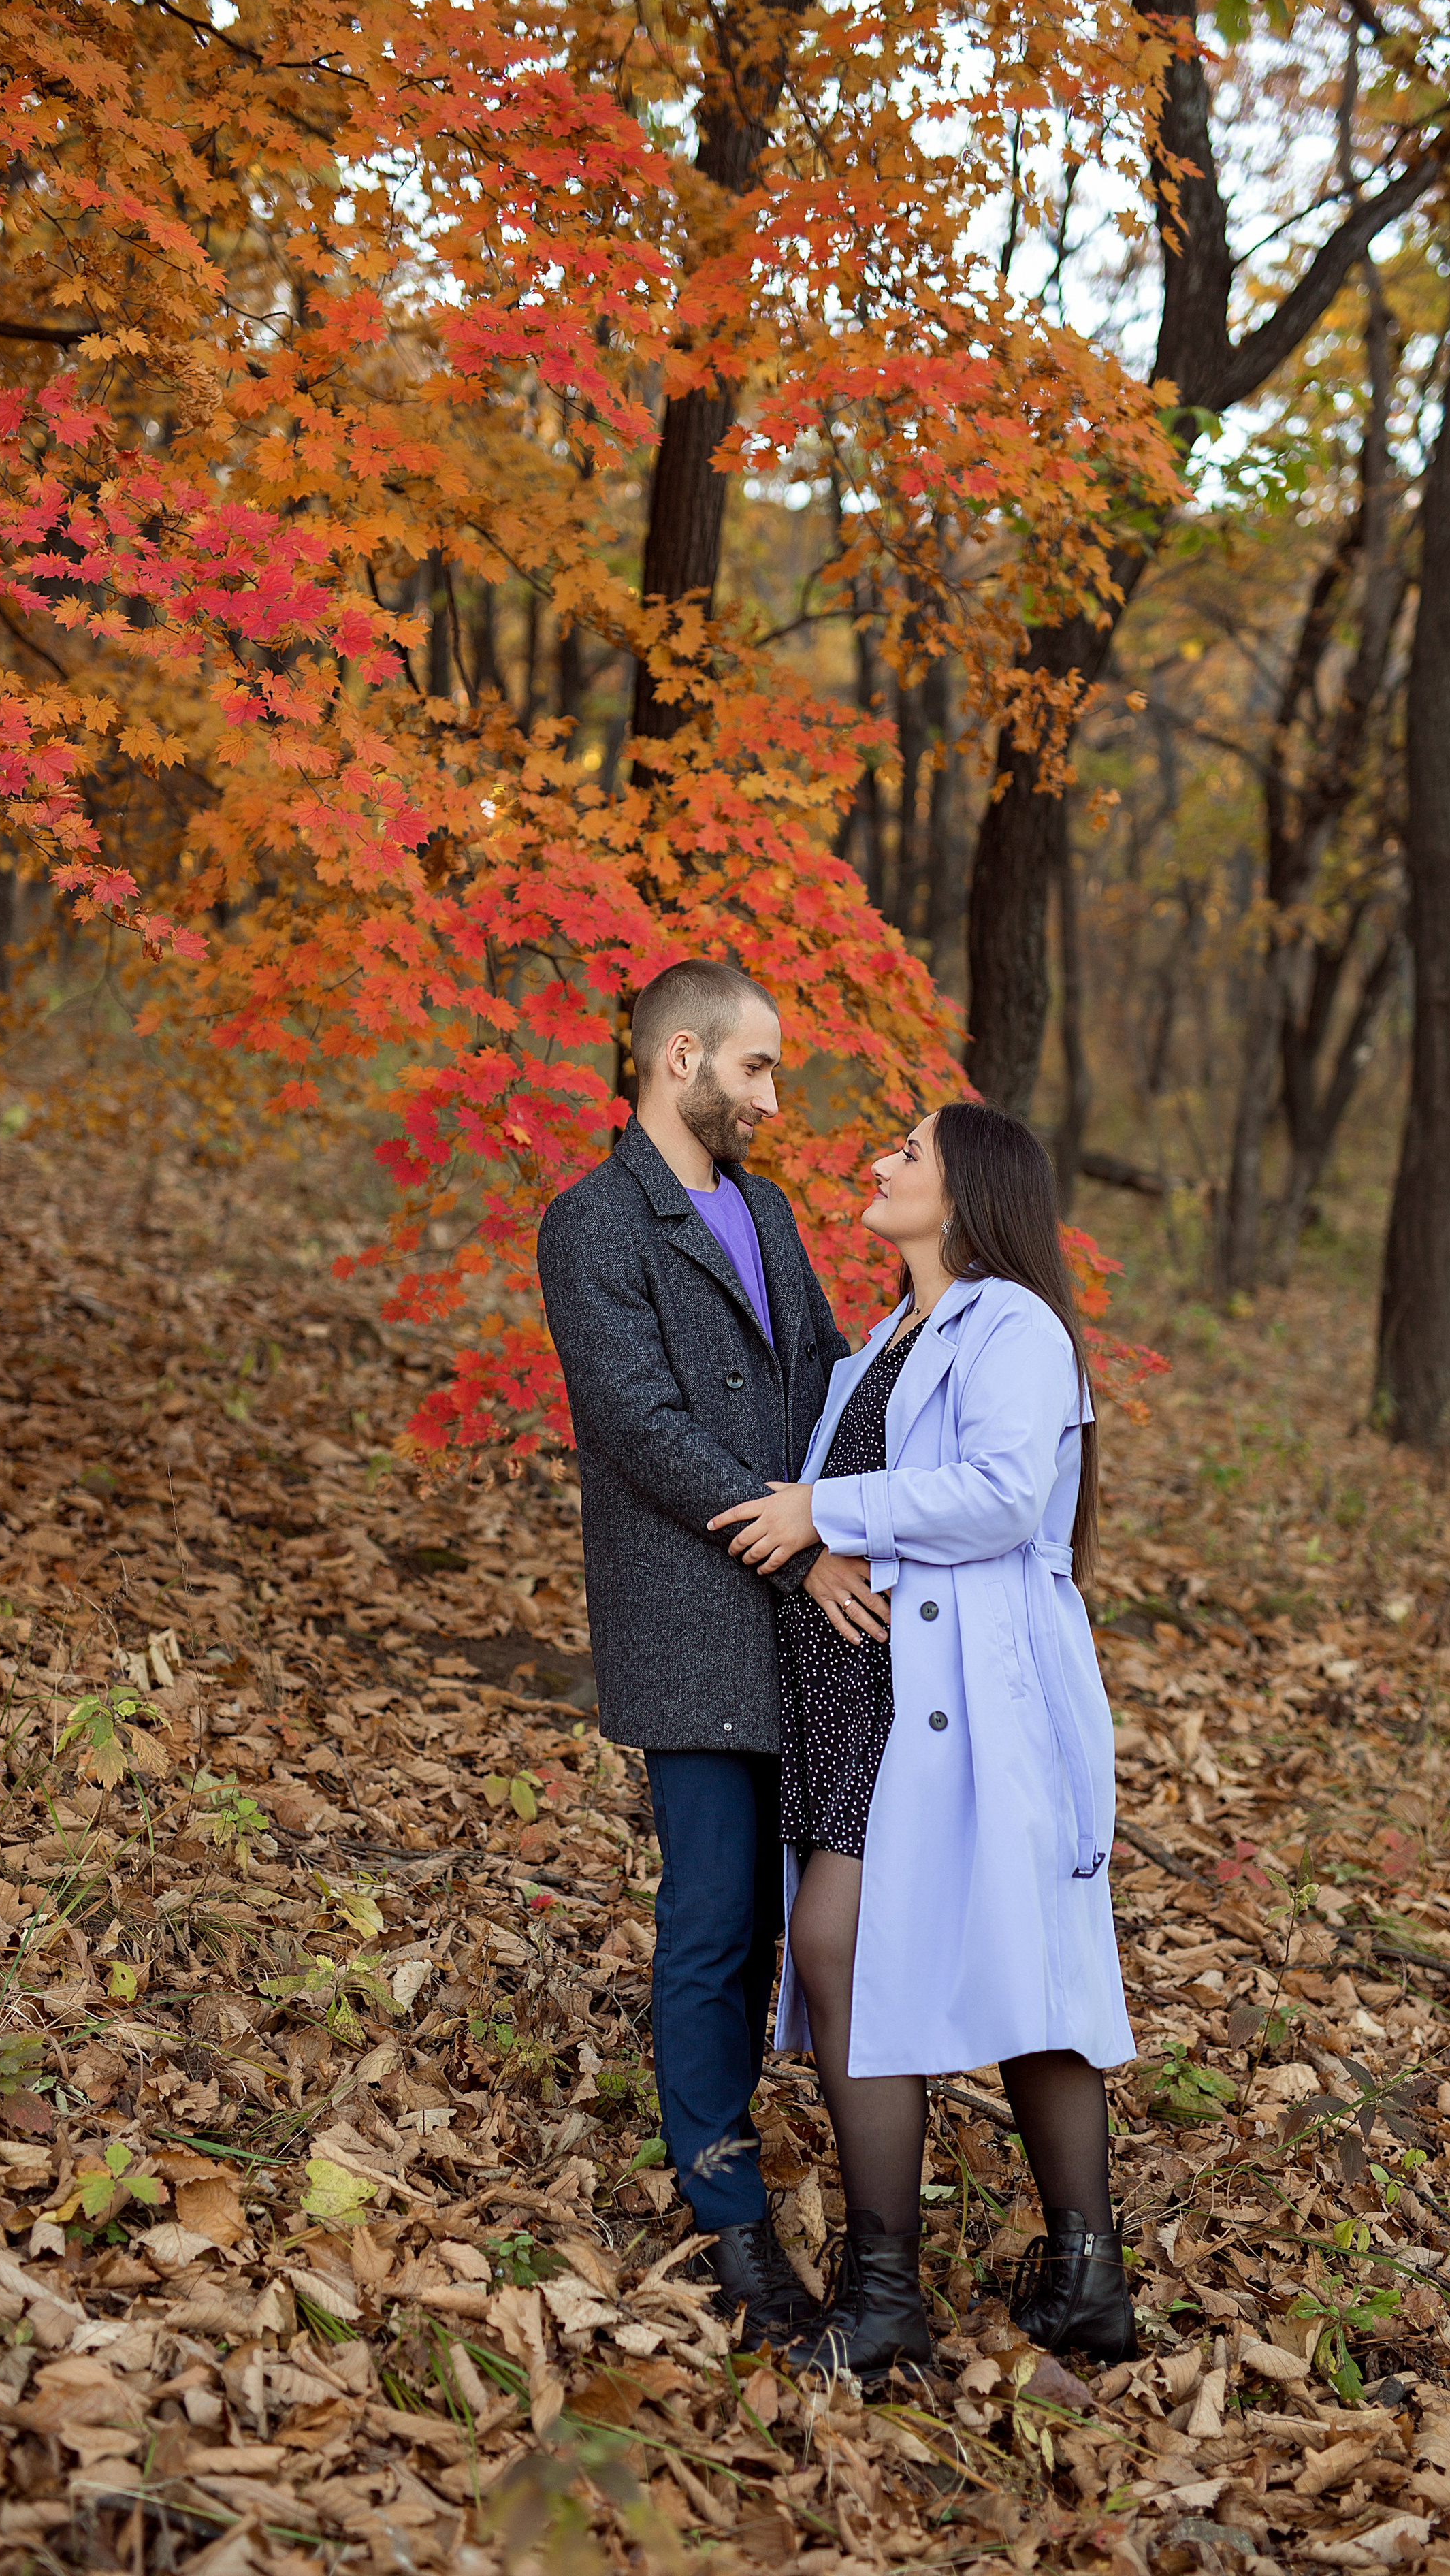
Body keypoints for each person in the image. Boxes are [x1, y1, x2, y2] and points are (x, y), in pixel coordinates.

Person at [711, 1101, 1138, 2379]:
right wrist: (828, 1544)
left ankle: (927, 2289)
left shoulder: (1014, 1324)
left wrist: (822, 1508)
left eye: (910, 1151)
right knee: (907, 1962)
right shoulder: (882, 1343)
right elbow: (862, 1516)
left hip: (964, 1698)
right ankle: (1038, 2276)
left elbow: (1005, 1494)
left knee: (987, 1969)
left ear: (964, 1195)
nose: (880, 1162)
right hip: (867, 1697)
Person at [536, 961, 888, 2347]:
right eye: (754, 1069)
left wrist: (882, 1492)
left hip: (803, 1618)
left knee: (788, 1924)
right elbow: (635, 1421)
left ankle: (792, 2183)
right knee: (713, 1919)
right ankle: (725, 2218)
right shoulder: (592, 1221)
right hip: (690, 1611)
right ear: (677, 1058)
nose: (770, 1096)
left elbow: (821, 1369)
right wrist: (800, 1545)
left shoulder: (769, 1209)